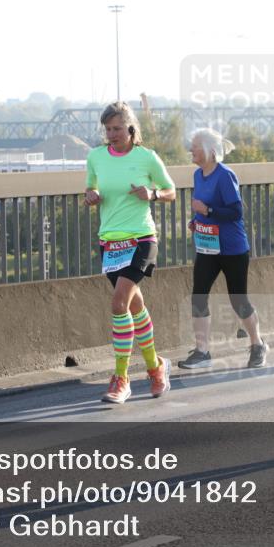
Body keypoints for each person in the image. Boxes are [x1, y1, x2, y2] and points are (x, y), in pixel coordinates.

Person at [84, 102, 176, 404]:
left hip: (141, 239)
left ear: (131, 129)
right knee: (134, 308)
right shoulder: (95, 157)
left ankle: (121, 379)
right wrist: (92, 197)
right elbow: (90, 191)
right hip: (110, 242)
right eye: (108, 129)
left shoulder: (146, 157)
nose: (112, 134)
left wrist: (151, 194)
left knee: (118, 302)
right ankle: (155, 367)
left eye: (117, 129)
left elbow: (170, 191)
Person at [178, 128, 267, 370]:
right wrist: (197, 220)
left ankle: (257, 344)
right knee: (199, 295)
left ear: (210, 151)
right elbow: (202, 206)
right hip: (208, 247)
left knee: (238, 299)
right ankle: (202, 351)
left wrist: (208, 211)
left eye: (195, 146)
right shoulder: (198, 175)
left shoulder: (225, 175)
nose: (191, 150)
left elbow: (236, 211)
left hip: (233, 248)